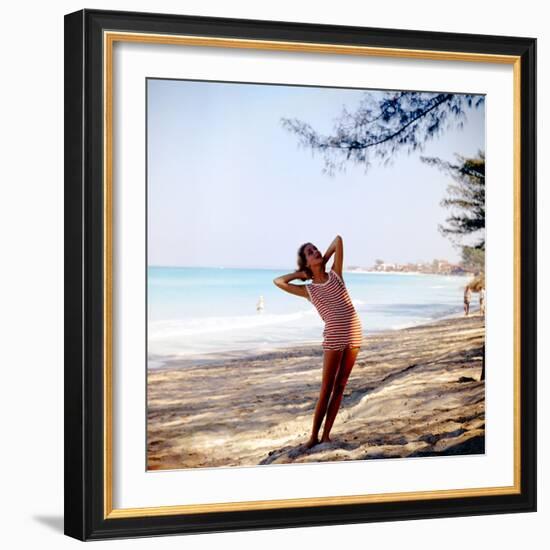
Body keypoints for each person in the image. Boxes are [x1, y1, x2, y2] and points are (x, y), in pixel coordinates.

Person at [273, 235, 363, 449]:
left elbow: (339, 240)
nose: (316, 251)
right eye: (310, 252)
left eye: (316, 249)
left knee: (340, 387)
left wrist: (323, 257)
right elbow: (278, 282)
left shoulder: (336, 274)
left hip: (353, 332)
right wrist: (301, 274)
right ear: (306, 263)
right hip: (333, 335)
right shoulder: (308, 290)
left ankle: (326, 436)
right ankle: (314, 436)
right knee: (327, 388)